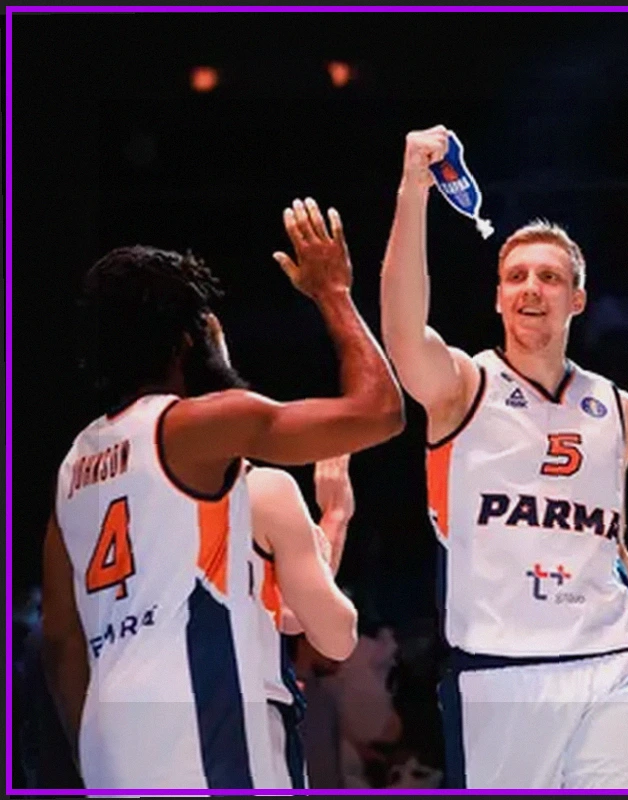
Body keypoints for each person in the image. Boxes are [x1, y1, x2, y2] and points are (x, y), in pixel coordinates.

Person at [379, 125, 628, 789]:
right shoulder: (463, 385)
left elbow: (612, 558)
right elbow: (403, 330)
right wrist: (413, 187)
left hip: (608, 667)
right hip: (502, 674)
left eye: (549, 277)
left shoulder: (616, 407)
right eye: (516, 276)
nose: (531, 288)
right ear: (498, 296)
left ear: (577, 299)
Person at [42, 198, 405, 789]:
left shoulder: (73, 468)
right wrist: (333, 292)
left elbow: (61, 639)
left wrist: (97, 755)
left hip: (108, 739)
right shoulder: (196, 428)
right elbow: (381, 412)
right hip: (202, 722)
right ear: (186, 341)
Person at [245, 454, 360, 789]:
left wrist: (333, 518)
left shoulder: (131, 493)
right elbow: (336, 634)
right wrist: (337, 512)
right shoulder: (257, 488)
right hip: (244, 714)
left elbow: (286, 612)